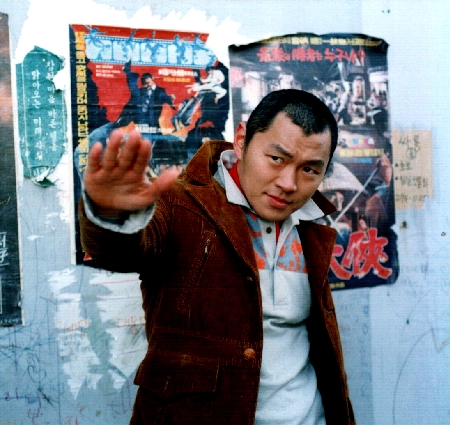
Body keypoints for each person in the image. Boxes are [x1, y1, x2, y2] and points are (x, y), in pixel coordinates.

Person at [79, 89, 354, 424]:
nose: (288, 183)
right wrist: (108, 213)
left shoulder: (312, 222)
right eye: (277, 159)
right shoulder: (180, 204)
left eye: (309, 169)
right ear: (241, 141)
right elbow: (122, 252)